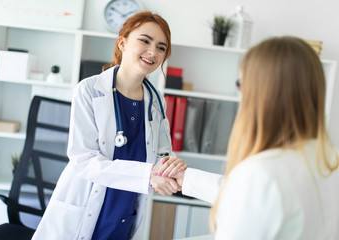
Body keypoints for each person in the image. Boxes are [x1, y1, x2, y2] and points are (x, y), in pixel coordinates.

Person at [32, 11, 187, 240]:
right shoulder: (89, 91)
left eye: (161, 47)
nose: (153, 52)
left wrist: (170, 166)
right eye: (145, 40)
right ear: (123, 43)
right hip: (87, 209)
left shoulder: (156, 101)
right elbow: (84, 160)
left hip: (125, 213)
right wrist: (149, 175)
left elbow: (160, 155)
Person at [169, 36, 339, 239]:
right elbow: (258, 200)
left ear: (262, 93)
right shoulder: (329, 158)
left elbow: (257, 192)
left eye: (241, 83)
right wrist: (188, 179)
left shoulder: (260, 173)